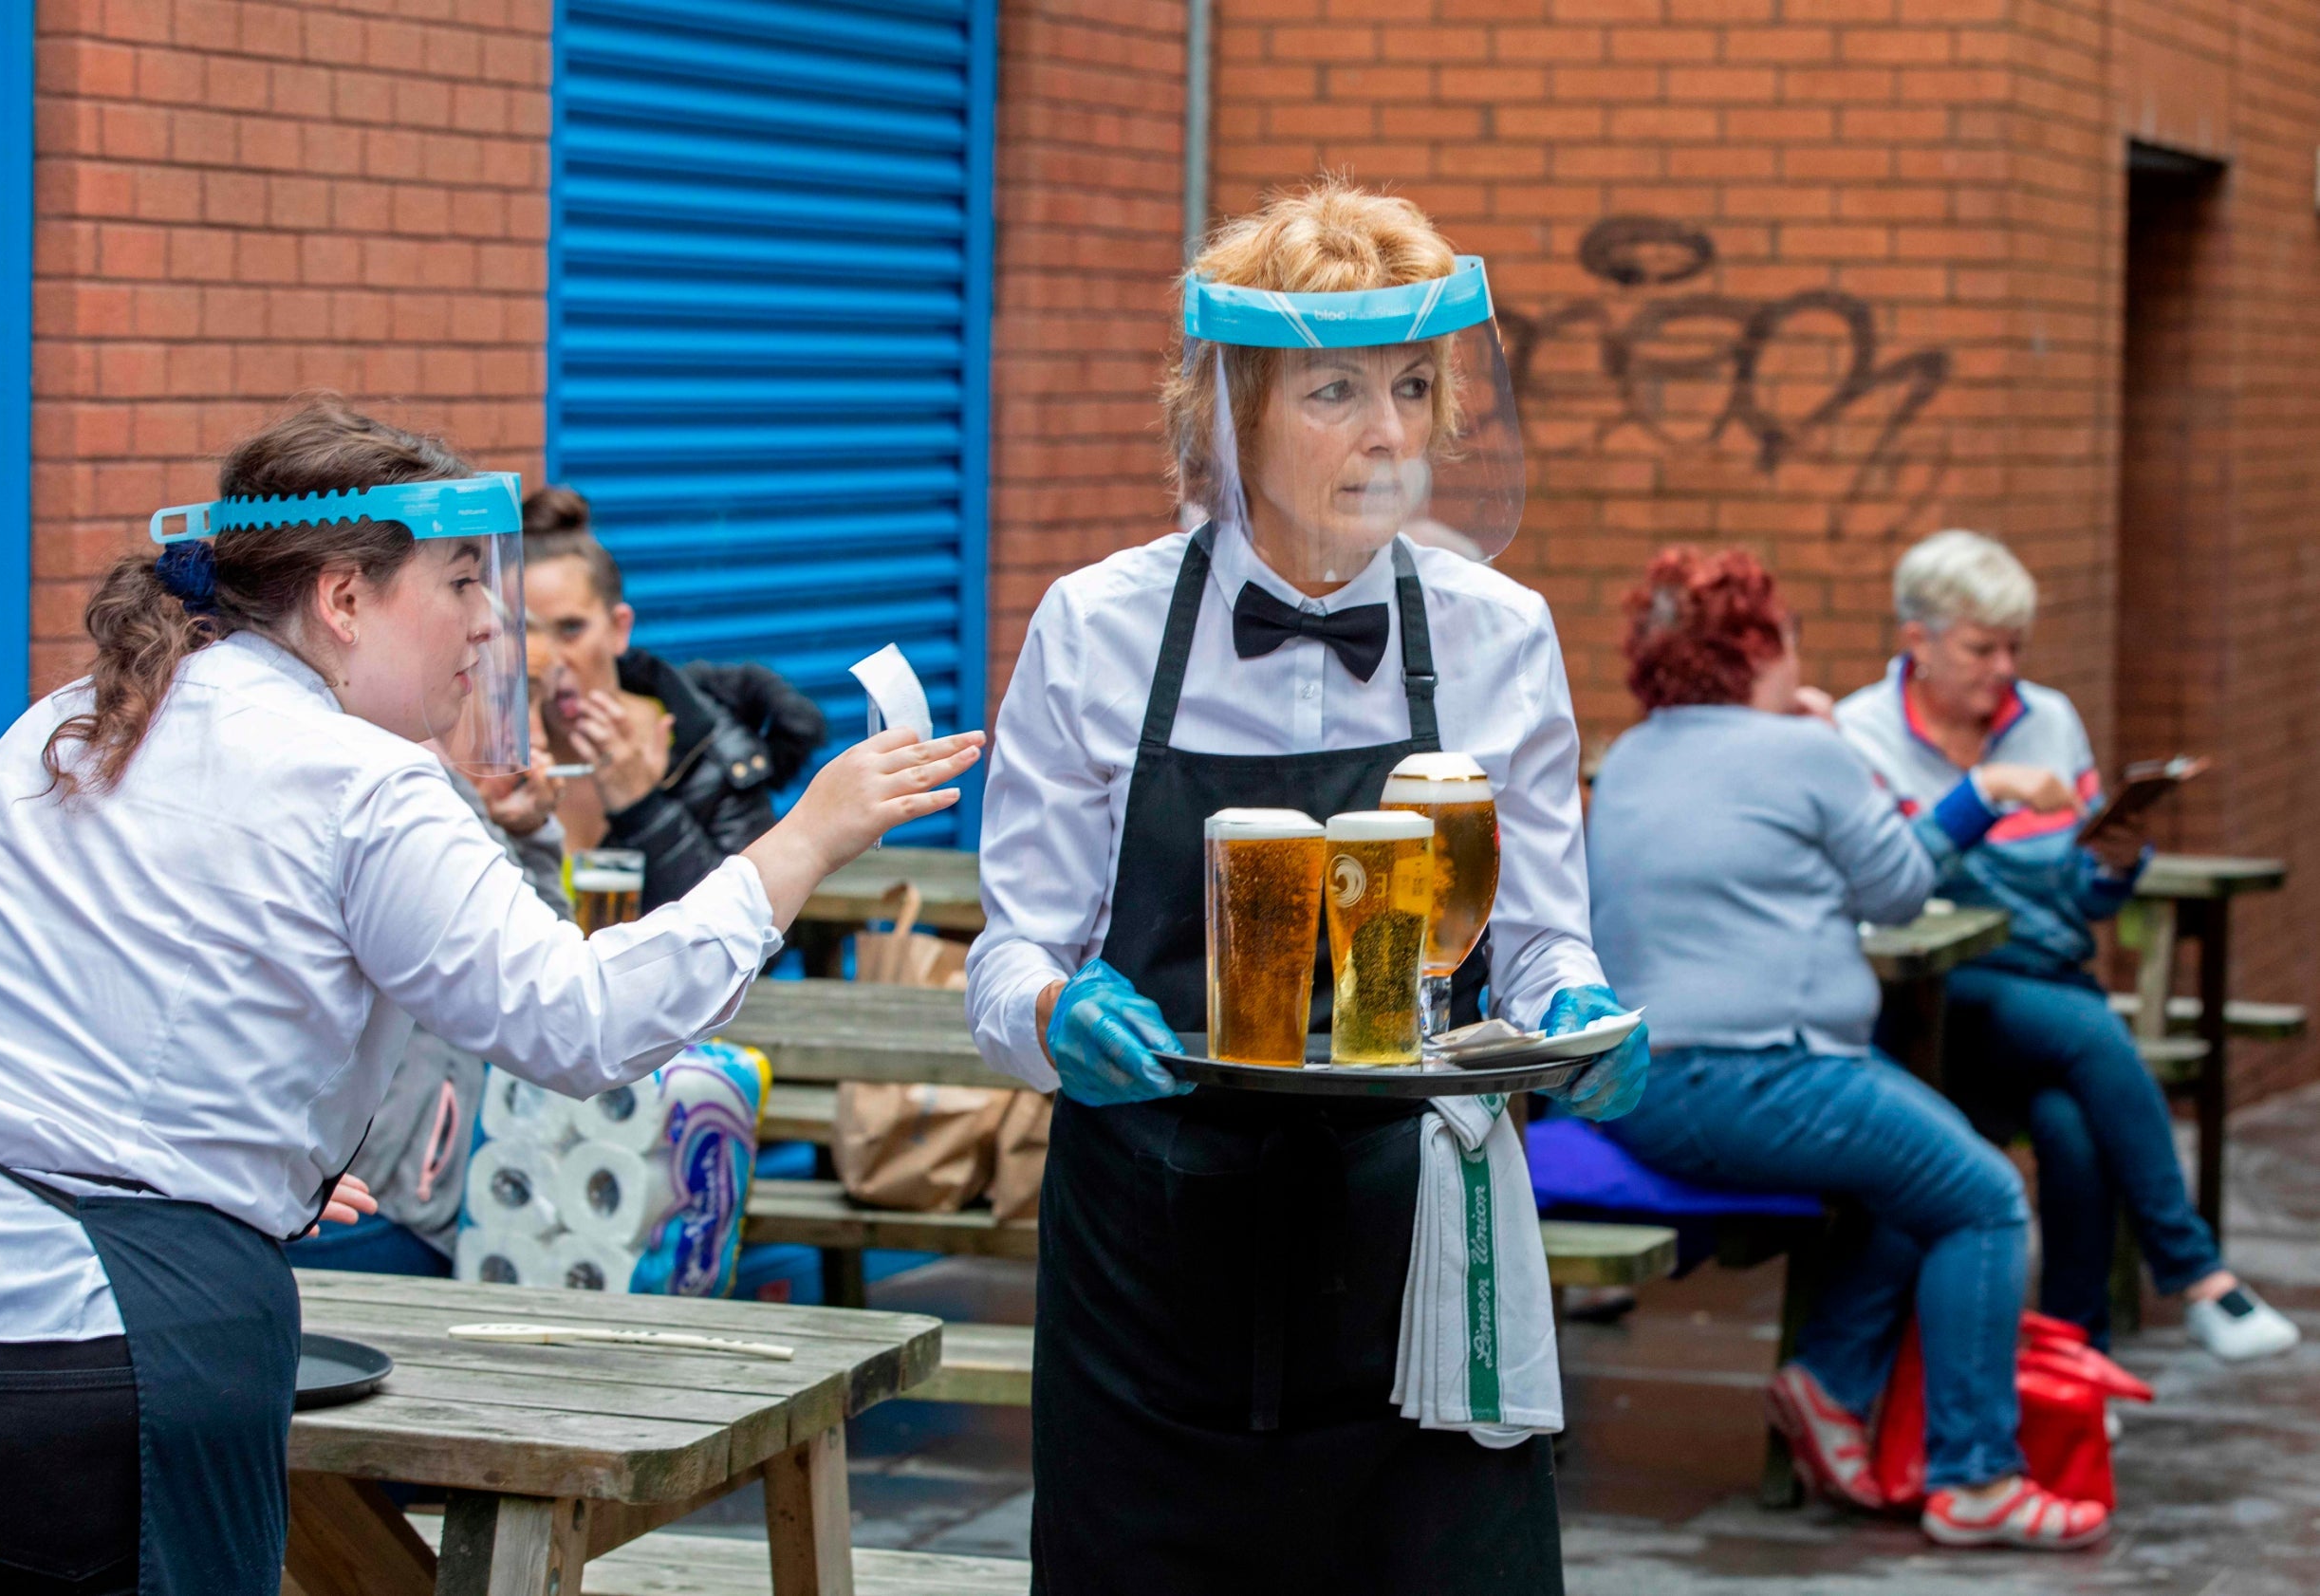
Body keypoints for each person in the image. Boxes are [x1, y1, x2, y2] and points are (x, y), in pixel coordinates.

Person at [0, 399, 982, 1593]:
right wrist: (804, 841)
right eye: (457, 580)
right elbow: (579, 1022)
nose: (491, 622)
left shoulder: (62, 726)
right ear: (343, 598)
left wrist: (239, 1151)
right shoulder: (365, 781)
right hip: (118, 1349)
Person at [964, 178, 1647, 1594]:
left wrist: (1571, 1005)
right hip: (1151, 1260)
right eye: (1334, 391)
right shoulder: (1095, 626)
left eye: (1411, 387)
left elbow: (1537, 938)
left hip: (1417, 1242)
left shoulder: (1499, 631)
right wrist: (1049, 1013)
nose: (1389, 433)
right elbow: (1009, 948)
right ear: (1233, 415)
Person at [1589, 547, 2109, 1550]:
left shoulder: (1635, 753)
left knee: (1916, 1181)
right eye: (1784, 632)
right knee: (1988, 1195)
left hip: (1640, 1085)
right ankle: (1977, 1476)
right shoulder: (1804, 749)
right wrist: (1944, 778)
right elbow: (1900, 885)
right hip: (1767, 1077)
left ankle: (1827, 1383)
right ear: (1755, 646)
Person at [1836, 529, 2298, 1363]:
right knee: (2089, 1034)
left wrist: (2115, 867)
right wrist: (1981, 799)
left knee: (2073, 1127)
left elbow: (2078, 899)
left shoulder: (2049, 720)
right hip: (1937, 1002)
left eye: (2015, 645)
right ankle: (2196, 1273)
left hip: (2048, 987)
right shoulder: (1856, 736)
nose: (2004, 666)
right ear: (1918, 640)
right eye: (1983, 647)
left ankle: (2075, 1361)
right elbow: (1887, 888)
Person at [283, 743, 575, 1277]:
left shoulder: (419, 785)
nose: (529, 751)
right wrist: (448, 783)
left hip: (408, 1189)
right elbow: (545, 989)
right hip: (375, 1199)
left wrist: (526, 834)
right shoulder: (395, 783)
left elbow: (541, 961)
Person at [522, 485, 826, 910]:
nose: (551, 659)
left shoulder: (707, 746)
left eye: (571, 629)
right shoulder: (486, 757)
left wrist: (644, 810)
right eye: (523, 633)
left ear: (618, 628)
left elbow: (758, 935)